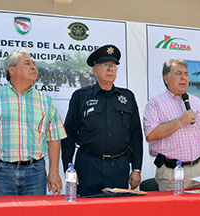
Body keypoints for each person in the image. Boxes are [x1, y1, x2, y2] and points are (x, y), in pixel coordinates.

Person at [0, 49, 66, 196]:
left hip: (36, 172)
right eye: (27, 63)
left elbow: (54, 138)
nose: (34, 67)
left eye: (34, 64)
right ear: (11, 69)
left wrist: (53, 172)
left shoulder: (45, 100)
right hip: (1, 171)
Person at [61, 45, 143, 196]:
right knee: (86, 212)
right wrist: (69, 169)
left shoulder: (127, 97)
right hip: (88, 164)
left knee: (118, 212)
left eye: (113, 66)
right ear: (95, 70)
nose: (110, 69)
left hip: (119, 165)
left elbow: (136, 135)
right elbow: (69, 134)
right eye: (105, 65)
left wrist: (136, 168)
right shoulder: (81, 97)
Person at [144, 58, 200, 190]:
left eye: (186, 74)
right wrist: (180, 121)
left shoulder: (197, 101)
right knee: (175, 211)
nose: (183, 77)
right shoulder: (155, 103)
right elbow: (151, 134)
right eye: (178, 73)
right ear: (166, 79)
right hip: (172, 173)